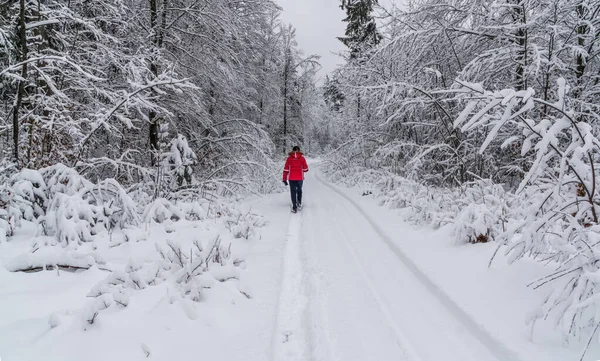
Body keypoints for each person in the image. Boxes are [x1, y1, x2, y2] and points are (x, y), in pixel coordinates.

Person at [282, 146, 308, 213]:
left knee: (293, 191)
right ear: (299, 150)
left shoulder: (289, 159)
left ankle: (294, 207)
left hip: (291, 178)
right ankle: (299, 203)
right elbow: (305, 169)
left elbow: (286, 169)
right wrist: (303, 168)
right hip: (300, 178)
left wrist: (284, 179)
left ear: (292, 151)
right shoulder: (302, 158)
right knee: (299, 190)